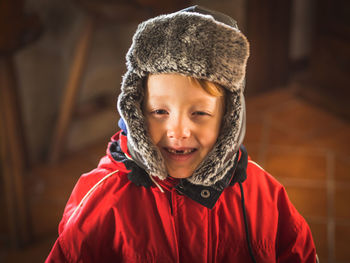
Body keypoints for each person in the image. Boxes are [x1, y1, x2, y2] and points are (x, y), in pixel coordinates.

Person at [46, 5, 317, 263]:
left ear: (229, 121)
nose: (178, 130)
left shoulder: (262, 197)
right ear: (137, 112)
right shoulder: (103, 201)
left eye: (199, 113)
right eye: (159, 112)